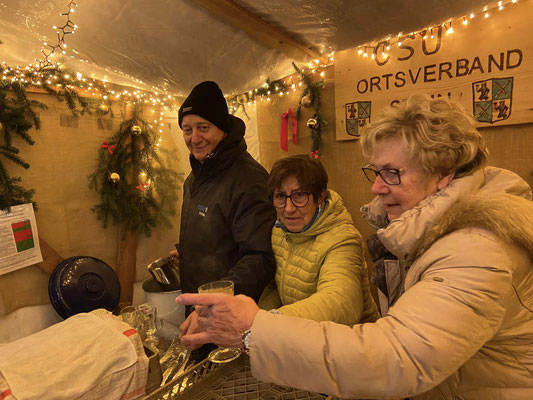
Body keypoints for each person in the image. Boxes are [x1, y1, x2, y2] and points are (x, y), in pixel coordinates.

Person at [177, 95, 533, 399]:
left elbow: (399, 356)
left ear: (443, 173)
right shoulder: (420, 230)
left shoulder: (479, 248)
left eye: (392, 173)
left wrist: (256, 328)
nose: (377, 188)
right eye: (375, 172)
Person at [172, 81, 276, 344]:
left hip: (229, 316)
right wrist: (188, 251)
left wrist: (210, 306)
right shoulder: (194, 180)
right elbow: (217, 231)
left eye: (203, 128)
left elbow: (260, 257)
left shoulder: (248, 179)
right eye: (187, 130)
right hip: (199, 309)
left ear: (222, 127)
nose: (194, 138)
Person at [258, 154, 379, 325]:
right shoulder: (280, 231)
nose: (289, 208)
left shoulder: (343, 239)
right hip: (301, 335)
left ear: (320, 196)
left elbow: (341, 303)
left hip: (348, 342)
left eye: (299, 195)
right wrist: (255, 317)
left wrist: (269, 322)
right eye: (280, 196)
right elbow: (278, 288)